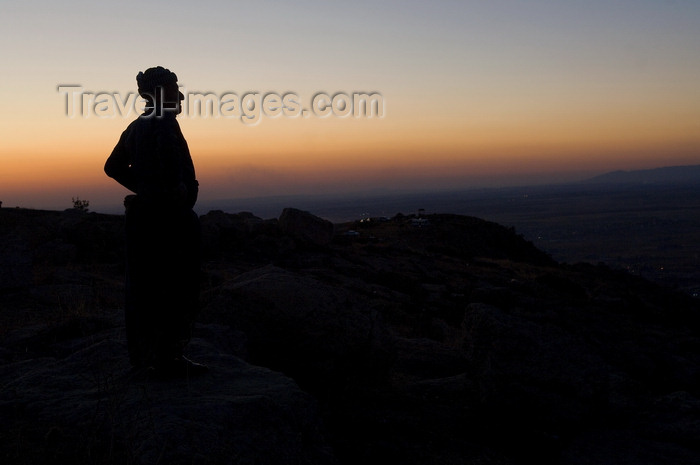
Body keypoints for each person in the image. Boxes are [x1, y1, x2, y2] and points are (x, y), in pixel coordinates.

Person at [105, 66, 207, 377]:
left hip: (147, 216)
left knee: (145, 288)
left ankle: (147, 358)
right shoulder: (162, 123)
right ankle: (167, 358)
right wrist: (167, 192)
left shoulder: (137, 126)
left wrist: (146, 190)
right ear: (159, 93)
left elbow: (112, 167)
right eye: (174, 89)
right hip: (166, 219)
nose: (181, 95)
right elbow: (120, 167)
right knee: (173, 285)